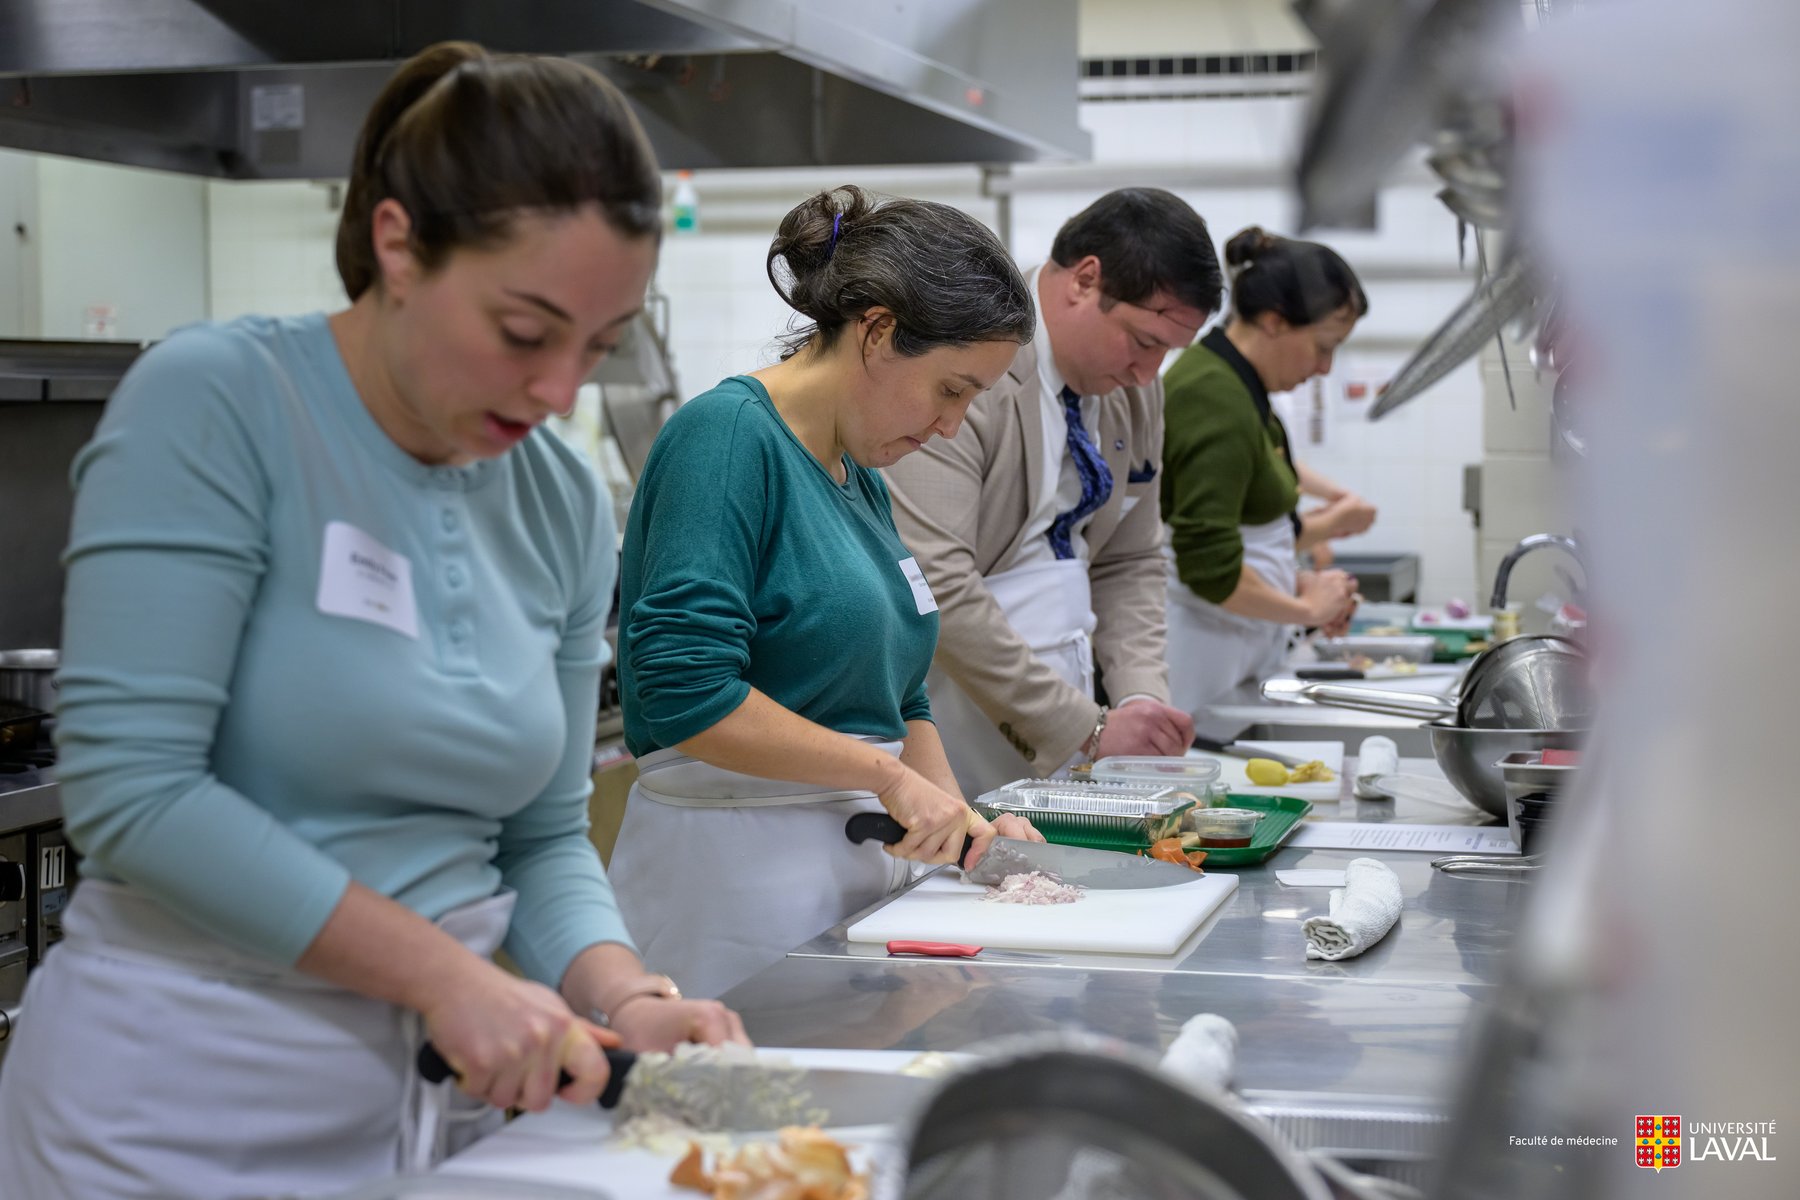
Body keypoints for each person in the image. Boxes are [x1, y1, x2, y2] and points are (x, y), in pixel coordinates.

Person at [0, 42, 744, 1200]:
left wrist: (628, 998)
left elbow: (539, 838)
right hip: (165, 1114)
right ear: (398, 244)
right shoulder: (222, 401)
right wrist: (446, 974)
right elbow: (132, 789)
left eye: (595, 348)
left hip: (430, 1112)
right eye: (523, 330)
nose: (556, 391)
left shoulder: (554, 500)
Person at [609, 185, 1045, 999]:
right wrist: (885, 780)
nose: (953, 426)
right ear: (876, 331)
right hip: (729, 889)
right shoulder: (729, 439)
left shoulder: (857, 475)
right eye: (951, 389)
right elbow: (685, 690)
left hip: (846, 878)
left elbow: (902, 700)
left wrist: (964, 826)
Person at [882, 188, 1221, 797]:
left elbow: (1131, 558)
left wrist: (1140, 698)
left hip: (1069, 696)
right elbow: (937, 578)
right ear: (1085, 281)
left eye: (1168, 354)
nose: (1150, 373)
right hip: (950, 695)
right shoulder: (968, 366)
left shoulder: (1135, 391)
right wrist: (1079, 727)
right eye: (1145, 343)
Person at [1161, 226, 1374, 717]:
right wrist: (1308, 610)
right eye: (1323, 346)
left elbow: (1256, 526)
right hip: (1200, 656)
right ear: (1274, 322)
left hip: (1231, 645)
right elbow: (1209, 568)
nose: (1325, 368)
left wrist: (1302, 588)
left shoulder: (1239, 386)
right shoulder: (1212, 395)